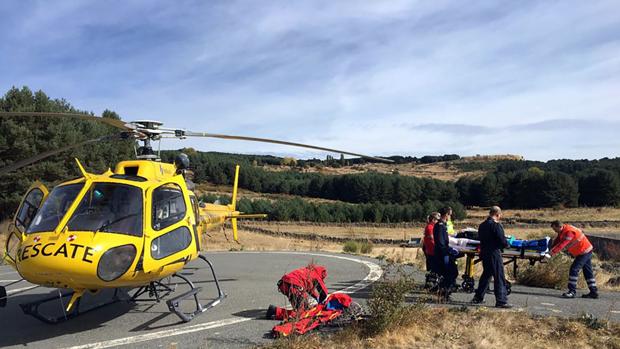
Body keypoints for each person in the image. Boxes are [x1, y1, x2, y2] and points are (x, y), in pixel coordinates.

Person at [472, 206, 512, 308]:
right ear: (497, 214)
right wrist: (507, 244)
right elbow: (501, 240)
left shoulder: (482, 225)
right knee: (499, 276)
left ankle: (478, 297)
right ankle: (501, 300)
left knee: (486, 275)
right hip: (494, 252)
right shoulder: (496, 225)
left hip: (484, 252)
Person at [549, 221, 598, 299]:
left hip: (584, 251)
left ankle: (572, 291)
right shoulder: (563, 230)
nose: (554, 231)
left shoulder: (569, 232)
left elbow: (563, 244)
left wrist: (551, 253)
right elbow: (558, 240)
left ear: (558, 226)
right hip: (585, 250)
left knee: (574, 269)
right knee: (588, 271)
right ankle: (593, 292)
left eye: (555, 229)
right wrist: (550, 248)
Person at [433, 207, 458, 300]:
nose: (450, 217)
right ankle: (444, 292)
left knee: (451, 273)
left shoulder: (442, 225)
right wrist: (447, 251)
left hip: (443, 252)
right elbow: (441, 242)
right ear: (446, 214)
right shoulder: (440, 226)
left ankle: (444, 292)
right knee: (450, 272)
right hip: (442, 253)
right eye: (450, 214)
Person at [423, 212, 440, 288]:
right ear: (433, 219)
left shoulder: (430, 226)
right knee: (432, 267)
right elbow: (432, 238)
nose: (438, 221)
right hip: (431, 250)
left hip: (430, 250)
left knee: (431, 267)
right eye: (437, 220)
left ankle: (430, 282)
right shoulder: (430, 227)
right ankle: (430, 283)